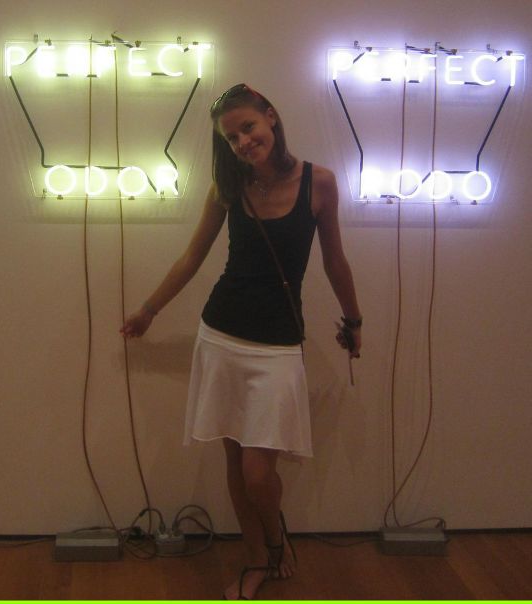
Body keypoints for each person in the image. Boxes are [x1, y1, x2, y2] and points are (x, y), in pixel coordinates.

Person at [121, 83, 362, 599]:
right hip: (222, 336)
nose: (243, 142)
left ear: (271, 117)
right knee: (235, 463)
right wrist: (148, 310)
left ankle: (274, 539)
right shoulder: (228, 187)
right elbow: (192, 258)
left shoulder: (319, 183)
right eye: (231, 138)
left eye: (247, 128)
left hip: (278, 345)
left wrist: (354, 320)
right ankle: (257, 558)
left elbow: (334, 261)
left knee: (258, 472)